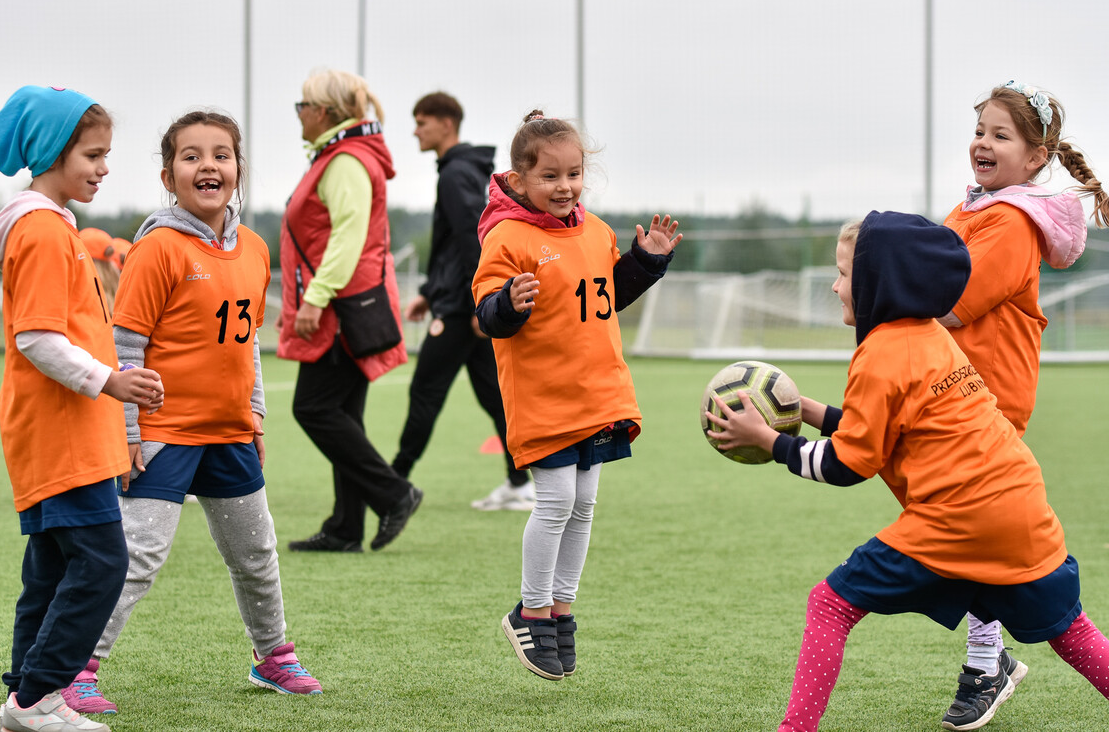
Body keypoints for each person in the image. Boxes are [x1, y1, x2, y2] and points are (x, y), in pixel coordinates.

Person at [705, 211, 1109, 732]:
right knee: (1072, 632)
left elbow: (848, 464)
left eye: (846, 274)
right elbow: (880, 430)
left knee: (829, 606)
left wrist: (773, 443)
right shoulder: (932, 337)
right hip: (1021, 509)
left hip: (956, 520)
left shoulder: (880, 355)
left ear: (880, 280)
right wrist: (802, 408)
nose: (834, 286)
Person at [62, 110, 323, 715]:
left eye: (221, 155)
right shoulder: (157, 249)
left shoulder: (255, 250)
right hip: (163, 434)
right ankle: (78, 666)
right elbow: (125, 348)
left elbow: (248, 343)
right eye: (191, 156)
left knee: (256, 555)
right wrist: (127, 433)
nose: (208, 165)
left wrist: (255, 416)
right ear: (168, 174)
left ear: (238, 169)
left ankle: (272, 657)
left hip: (230, 435)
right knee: (136, 560)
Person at [472, 110, 681, 680]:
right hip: (546, 396)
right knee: (556, 500)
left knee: (584, 504)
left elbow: (606, 295)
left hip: (599, 389)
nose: (565, 187)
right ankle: (530, 608)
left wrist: (647, 262)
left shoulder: (596, 231)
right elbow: (487, 313)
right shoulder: (508, 236)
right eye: (550, 177)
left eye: (574, 174)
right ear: (517, 181)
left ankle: (561, 609)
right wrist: (506, 304)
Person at [0, 86, 163, 732]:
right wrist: (110, 382)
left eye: (106, 154)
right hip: (58, 435)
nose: (104, 167)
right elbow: (37, 337)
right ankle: (38, 697)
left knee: (53, 570)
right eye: (92, 154)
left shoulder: (51, 225)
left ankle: (27, 699)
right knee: (102, 561)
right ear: (52, 153)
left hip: (66, 434)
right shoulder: (38, 229)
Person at [936, 80, 1109, 727]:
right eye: (980, 130)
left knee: (986, 538)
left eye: (1000, 134)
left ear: (1036, 158)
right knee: (968, 531)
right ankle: (990, 657)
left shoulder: (1009, 223)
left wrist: (883, 291)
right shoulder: (970, 210)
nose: (983, 142)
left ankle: (989, 660)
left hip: (991, 403)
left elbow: (953, 305)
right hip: (955, 400)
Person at [280, 69, 422, 554]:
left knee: (313, 408)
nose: (298, 114)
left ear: (325, 113)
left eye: (302, 105)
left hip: (340, 308)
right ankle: (345, 527)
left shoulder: (345, 161)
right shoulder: (340, 156)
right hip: (348, 302)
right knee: (342, 413)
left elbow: (348, 235)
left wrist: (316, 298)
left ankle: (394, 494)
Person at [391, 91, 532, 510]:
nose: (416, 130)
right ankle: (520, 483)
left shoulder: (454, 175)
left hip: (461, 311)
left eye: (422, 122)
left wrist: (479, 304)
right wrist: (428, 292)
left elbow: (477, 239)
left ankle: (391, 485)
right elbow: (454, 246)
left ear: (446, 124)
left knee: (424, 393)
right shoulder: (464, 170)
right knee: (495, 396)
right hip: (458, 302)